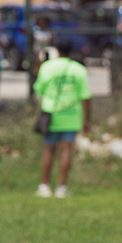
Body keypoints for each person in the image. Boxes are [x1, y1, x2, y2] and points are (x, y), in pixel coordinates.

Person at [34, 39, 92, 198]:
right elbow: (86, 96)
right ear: (71, 51)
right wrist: (87, 120)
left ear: (57, 50)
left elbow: (39, 89)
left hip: (51, 113)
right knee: (66, 151)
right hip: (72, 114)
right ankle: (62, 187)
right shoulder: (79, 69)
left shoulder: (47, 67)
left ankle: (44, 186)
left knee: (48, 150)